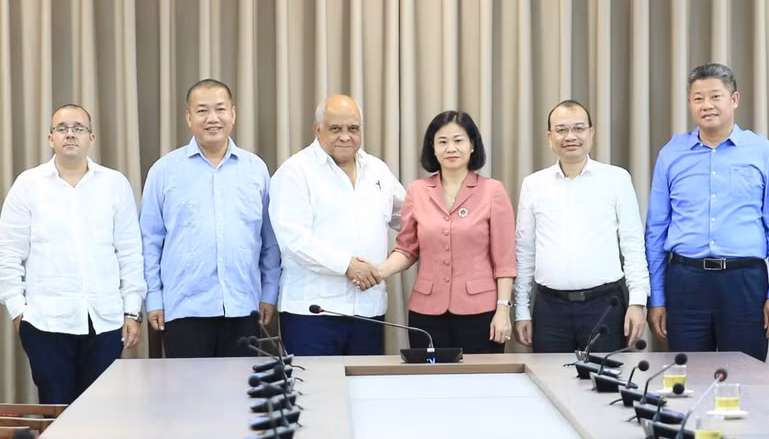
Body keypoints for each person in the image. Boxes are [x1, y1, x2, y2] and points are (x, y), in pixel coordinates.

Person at [645, 63, 769, 361]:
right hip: (685, 281)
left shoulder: (764, 152)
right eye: (698, 98)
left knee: (744, 379)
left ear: (734, 100)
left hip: (744, 283)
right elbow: (656, 231)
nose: (707, 105)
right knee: (687, 380)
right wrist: (657, 298)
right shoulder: (671, 154)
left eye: (715, 96)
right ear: (689, 104)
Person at [0, 104, 145, 404]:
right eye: (62, 128)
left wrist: (132, 310)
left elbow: (130, 252)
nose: (70, 134)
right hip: (44, 323)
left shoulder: (114, 184)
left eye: (78, 128)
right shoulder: (28, 185)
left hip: (105, 320)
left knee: (100, 412)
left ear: (91, 137)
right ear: (50, 138)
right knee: (57, 411)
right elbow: (8, 253)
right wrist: (18, 310)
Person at [140, 79, 281, 358]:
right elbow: (149, 241)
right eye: (202, 111)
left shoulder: (255, 169)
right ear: (189, 117)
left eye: (220, 109)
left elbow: (269, 240)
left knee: (240, 396)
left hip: (244, 305)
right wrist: (154, 298)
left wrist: (269, 292)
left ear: (233, 114)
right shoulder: (164, 171)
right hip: (183, 308)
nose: (212, 118)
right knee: (189, 398)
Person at [268, 94, 405, 356]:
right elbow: (293, 240)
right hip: (312, 314)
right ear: (317, 129)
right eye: (336, 129)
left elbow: (410, 219)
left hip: (368, 311)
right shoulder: (295, 172)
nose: (345, 136)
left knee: (364, 394)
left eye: (353, 128)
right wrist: (348, 265)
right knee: (315, 395)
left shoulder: (377, 170)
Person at [513, 100, 649, 353]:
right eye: (561, 130)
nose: (570, 136)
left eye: (578, 128)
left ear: (591, 133)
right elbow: (524, 251)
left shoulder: (616, 179)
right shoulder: (534, 184)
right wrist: (521, 309)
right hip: (549, 309)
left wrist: (638, 302)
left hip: (605, 306)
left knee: (605, 387)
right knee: (549, 384)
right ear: (549, 137)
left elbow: (633, 244)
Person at [374, 110, 515, 354]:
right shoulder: (417, 191)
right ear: (433, 148)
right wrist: (378, 272)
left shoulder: (493, 191)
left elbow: (504, 260)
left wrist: (503, 309)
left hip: (480, 312)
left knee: (481, 387)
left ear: (472, 145)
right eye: (442, 141)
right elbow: (407, 249)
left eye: (458, 140)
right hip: (426, 313)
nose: (451, 148)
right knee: (430, 386)